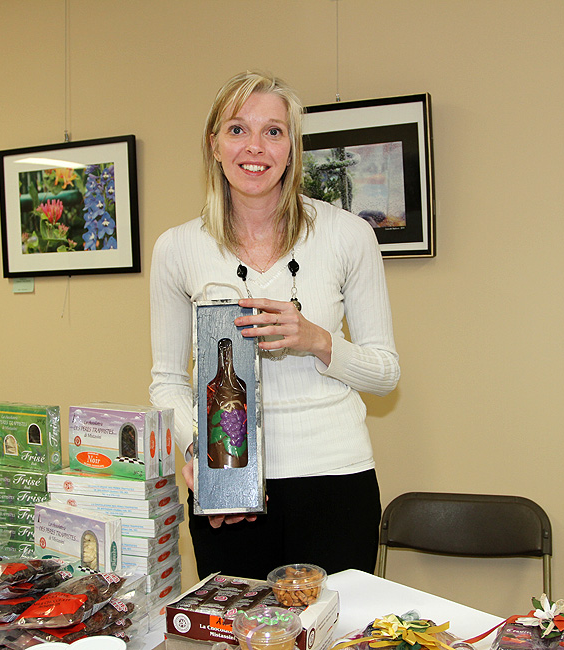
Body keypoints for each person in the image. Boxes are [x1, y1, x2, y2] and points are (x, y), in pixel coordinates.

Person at [149, 70, 400, 579]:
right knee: (238, 633)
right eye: (237, 129)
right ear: (214, 145)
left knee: (334, 631)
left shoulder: (349, 236)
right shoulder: (176, 248)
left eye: (273, 131)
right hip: (230, 487)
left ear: (292, 148)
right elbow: (167, 383)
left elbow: (385, 373)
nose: (254, 147)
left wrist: (318, 340)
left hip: (335, 479)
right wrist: (205, 447)